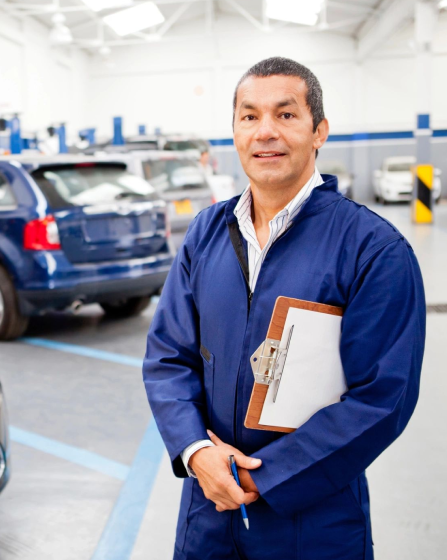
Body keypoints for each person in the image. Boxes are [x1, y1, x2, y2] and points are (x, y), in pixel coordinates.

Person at [143, 57, 425, 559]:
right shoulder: (206, 234)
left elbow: (383, 398)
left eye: (286, 115)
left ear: (319, 131)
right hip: (208, 512)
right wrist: (196, 452)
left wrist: (266, 477)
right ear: (234, 132)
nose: (265, 132)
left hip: (312, 518)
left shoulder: (372, 250)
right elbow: (167, 356)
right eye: (249, 116)